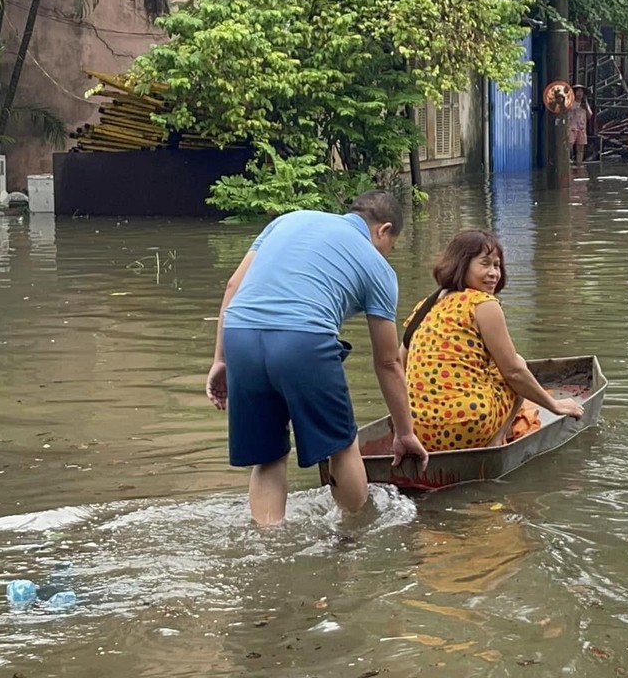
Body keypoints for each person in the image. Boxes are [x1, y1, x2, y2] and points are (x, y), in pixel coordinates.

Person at [206, 191, 428, 525]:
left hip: (240, 334)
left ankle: (269, 546)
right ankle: (352, 538)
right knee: (342, 445)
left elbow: (233, 285)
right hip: (303, 340)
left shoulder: (287, 220)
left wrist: (220, 360)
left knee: (268, 458)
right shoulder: (376, 265)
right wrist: (405, 433)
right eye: (390, 246)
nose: (387, 254)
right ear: (383, 230)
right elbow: (388, 362)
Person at [401, 230, 584, 452]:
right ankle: (496, 440)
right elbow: (513, 372)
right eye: (485, 264)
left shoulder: (425, 306)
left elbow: (400, 363)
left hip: (418, 431)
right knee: (517, 365)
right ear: (462, 265)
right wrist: (554, 405)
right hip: (468, 426)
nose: (493, 273)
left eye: (497, 265)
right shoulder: (483, 303)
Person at [569, 85, 592, 163]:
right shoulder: (570, 102)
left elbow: (590, 115)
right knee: (569, 145)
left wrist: (585, 106)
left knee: (580, 148)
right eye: (578, 91)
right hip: (572, 127)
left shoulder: (585, 104)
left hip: (581, 128)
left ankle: (579, 163)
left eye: (581, 91)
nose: (579, 94)